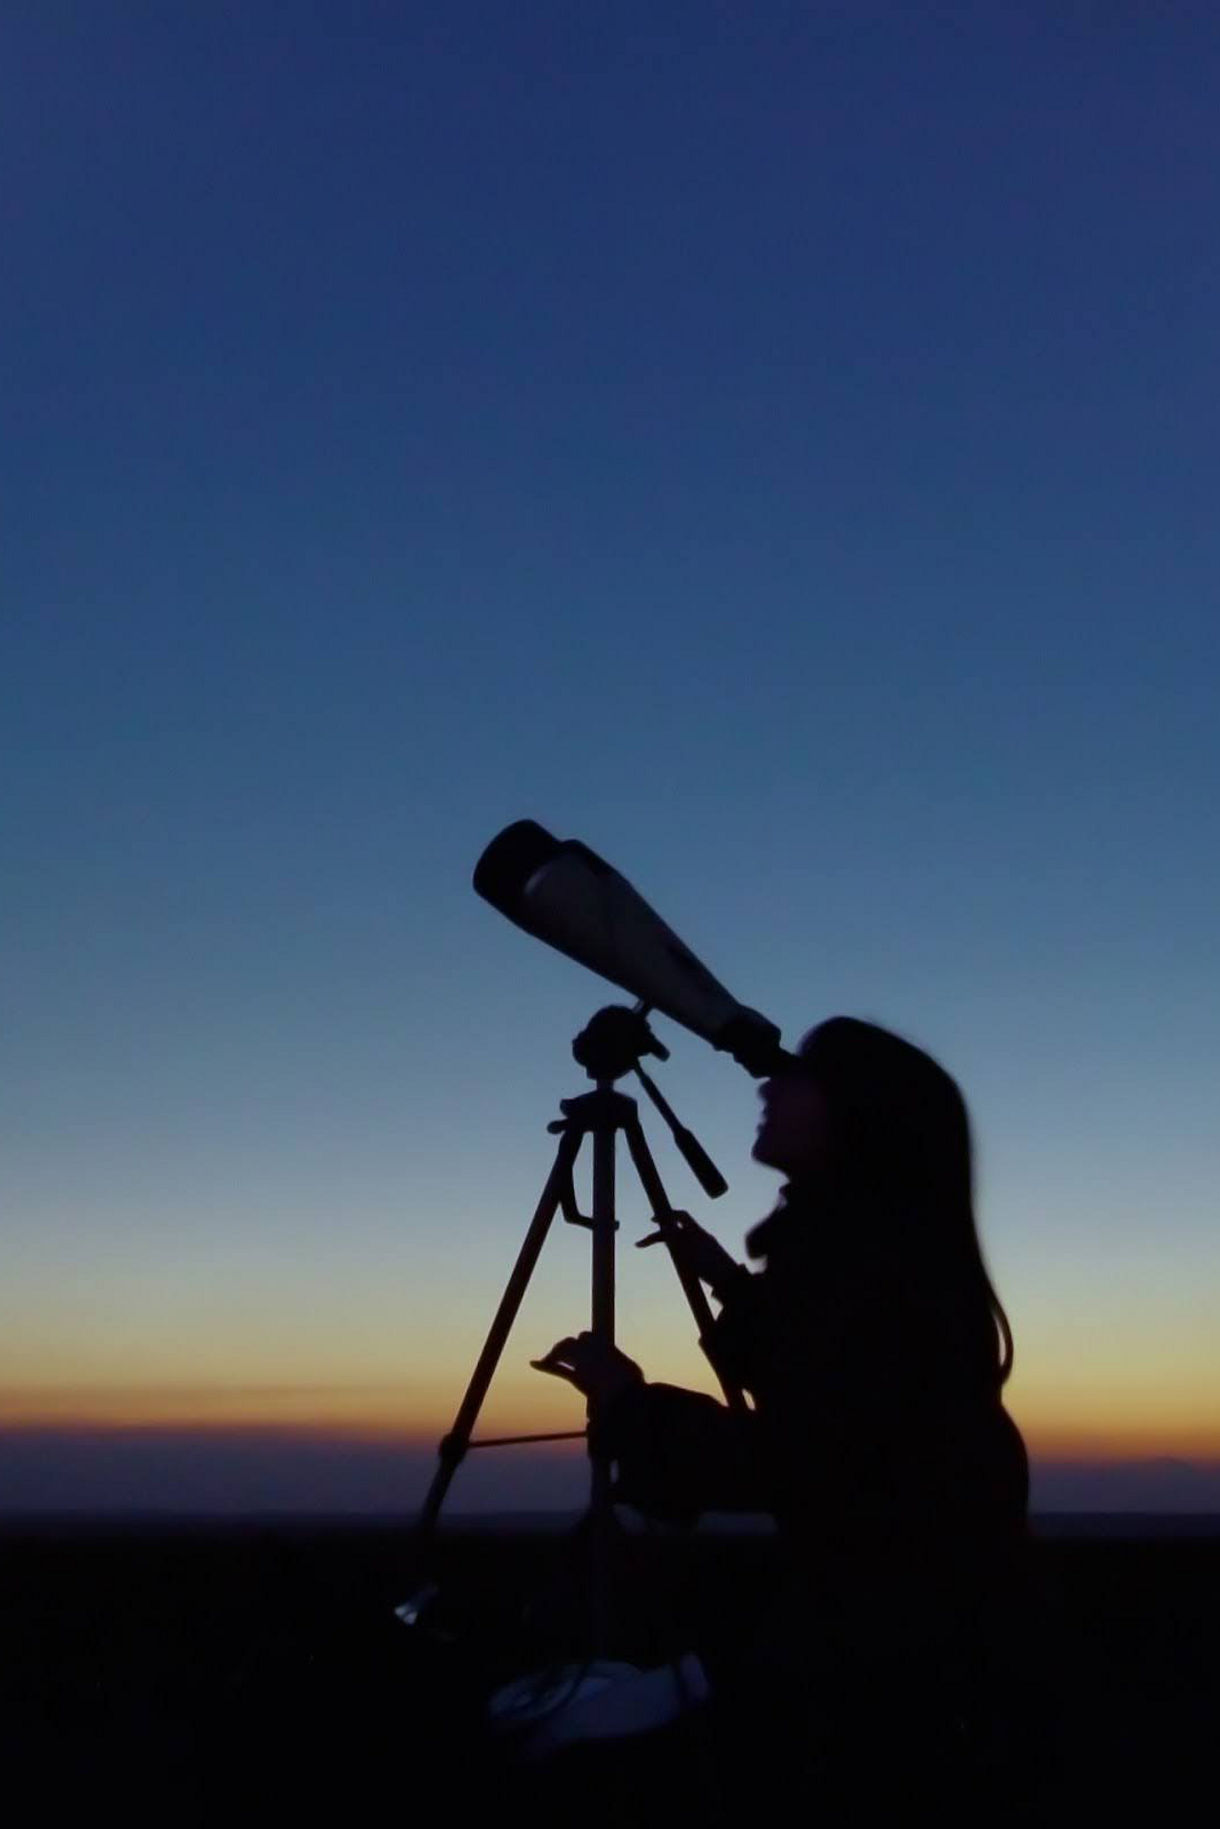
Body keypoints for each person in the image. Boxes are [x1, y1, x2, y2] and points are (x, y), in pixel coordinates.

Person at [534, 1016, 1037, 1812]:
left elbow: (801, 1456)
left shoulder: (869, 1268)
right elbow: (818, 1376)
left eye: (800, 1076)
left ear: (859, 1116)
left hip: (891, 1661)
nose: (770, 1087)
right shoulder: (877, 1255)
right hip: (915, 1634)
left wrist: (628, 1403)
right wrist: (728, 1280)